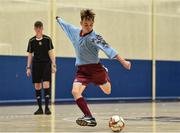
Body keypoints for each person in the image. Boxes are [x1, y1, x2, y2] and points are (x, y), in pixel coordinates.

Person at [56, 9, 131, 126]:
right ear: (81, 23)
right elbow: (66, 26)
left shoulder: (95, 37)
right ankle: (89, 117)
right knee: (75, 91)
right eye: (86, 24)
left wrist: (123, 62)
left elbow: (109, 49)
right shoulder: (75, 32)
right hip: (82, 70)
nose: (88, 27)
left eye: (91, 25)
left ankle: (105, 73)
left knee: (107, 91)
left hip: (96, 70)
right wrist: (58, 19)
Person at [26, 21, 56, 115]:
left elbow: (50, 52)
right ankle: (40, 108)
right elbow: (30, 54)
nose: (38, 29)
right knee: (37, 85)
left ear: (42, 28)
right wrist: (28, 67)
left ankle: (47, 107)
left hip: (46, 64)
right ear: (34, 29)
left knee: (46, 84)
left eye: (40, 27)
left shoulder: (47, 39)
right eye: (36, 27)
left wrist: (54, 65)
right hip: (36, 65)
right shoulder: (31, 41)